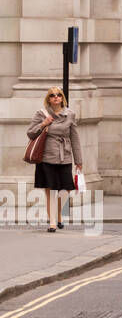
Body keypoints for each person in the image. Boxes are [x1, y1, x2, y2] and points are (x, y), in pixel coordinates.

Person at [27, 88, 82, 233]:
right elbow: (30, 133)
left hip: (65, 156)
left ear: (62, 98)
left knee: (65, 190)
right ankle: (52, 222)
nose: (56, 97)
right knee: (50, 190)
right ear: (48, 99)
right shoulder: (41, 114)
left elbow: (75, 137)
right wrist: (43, 124)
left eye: (58, 95)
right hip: (46, 157)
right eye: (52, 95)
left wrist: (79, 160)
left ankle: (59, 215)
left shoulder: (70, 114)